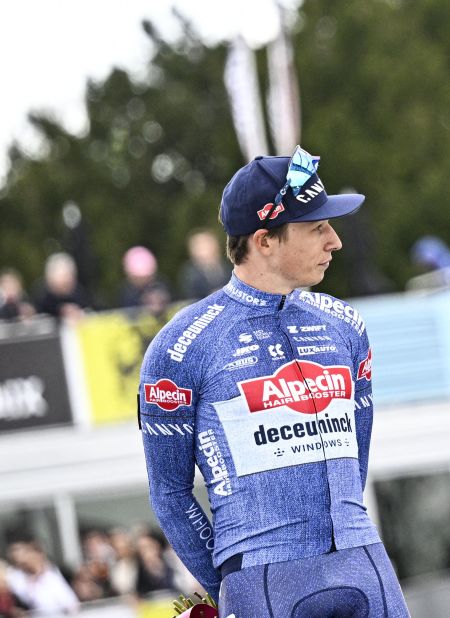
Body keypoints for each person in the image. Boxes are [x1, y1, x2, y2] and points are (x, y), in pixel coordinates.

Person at [138, 147, 409, 615]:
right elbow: (169, 491)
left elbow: (356, 457)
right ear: (264, 241)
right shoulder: (181, 345)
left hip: (363, 559)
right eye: (317, 228)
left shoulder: (345, 325)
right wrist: (226, 579)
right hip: (261, 578)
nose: (335, 242)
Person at [179, 229, 232, 301]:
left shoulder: (226, 267)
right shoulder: (190, 273)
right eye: (200, 246)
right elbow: (190, 297)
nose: (205, 249)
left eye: (207, 244)